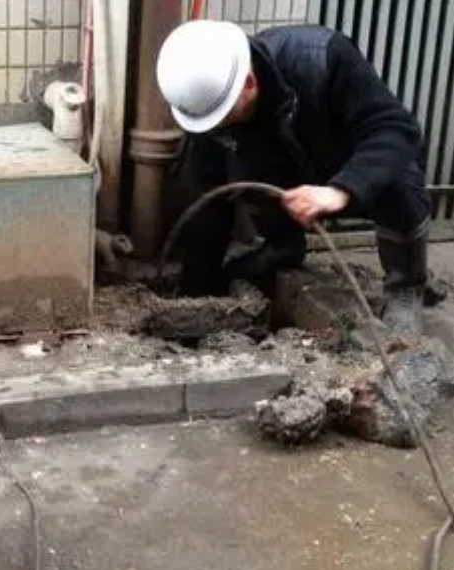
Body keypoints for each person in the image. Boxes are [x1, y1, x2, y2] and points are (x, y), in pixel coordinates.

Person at [156, 20, 431, 336]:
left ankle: (406, 285)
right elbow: (209, 196)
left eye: (223, 117)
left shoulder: (322, 59)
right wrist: (199, 290)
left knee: (398, 177)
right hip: (293, 169)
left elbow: (396, 129)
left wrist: (342, 190)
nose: (218, 127)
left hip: (347, 162)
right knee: (245, 173)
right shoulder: (211, 104)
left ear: (248, 83)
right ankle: (283, 247)